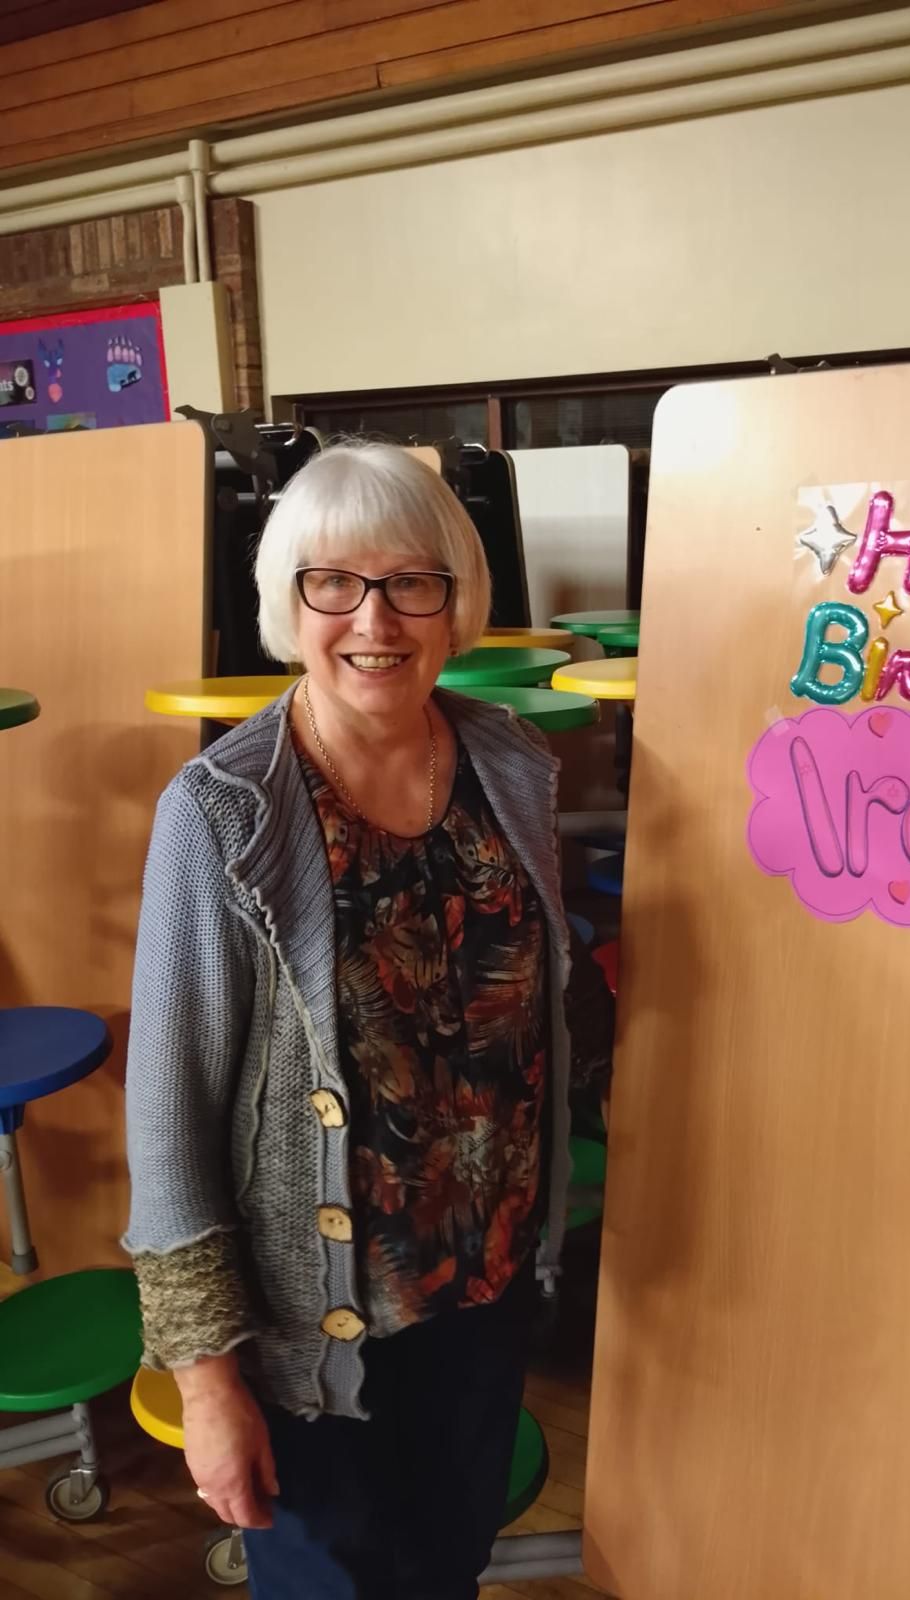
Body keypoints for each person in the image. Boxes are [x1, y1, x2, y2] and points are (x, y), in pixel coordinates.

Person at [123, 441, 613, 1599]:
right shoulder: (220, 811)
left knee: (448, 1565)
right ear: (287, 603)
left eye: (411, 582)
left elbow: (533, 998)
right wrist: (206, 1381)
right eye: (333, 581)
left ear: (457, 601)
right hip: (314, 1331)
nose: (374, 618)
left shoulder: (510, 761)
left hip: (485, 1290)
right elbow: (169, 1116)